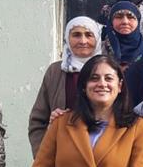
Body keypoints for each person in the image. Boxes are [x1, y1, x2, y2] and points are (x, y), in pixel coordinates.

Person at [27, 15, 101, 156]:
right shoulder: (55, 71)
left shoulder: (108, 70)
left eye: (89, 35)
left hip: (100, 154)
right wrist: (43, 156)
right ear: (67, 38)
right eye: (76, 35)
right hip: (62, 156)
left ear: (97, 38)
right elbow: (38, 121)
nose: (83, 41)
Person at [100, 1, 143, 71]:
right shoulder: (100, 49)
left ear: (138, 21)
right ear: (111, 22)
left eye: (130, 17)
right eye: (119, 17)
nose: (125, 22)